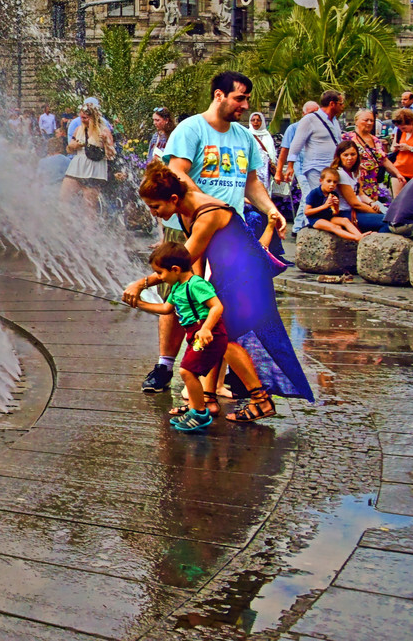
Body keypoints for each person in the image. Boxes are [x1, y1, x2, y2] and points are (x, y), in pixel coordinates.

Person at [136, 165, 311, 421]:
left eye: (155, 206)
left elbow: (182, 260)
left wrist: (140, 284)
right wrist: (196, 294)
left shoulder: (208, 213)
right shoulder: (186, 210)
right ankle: (205, 401)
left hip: (248, 277)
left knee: (224, 337)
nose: (153, 213)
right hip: (227, 277)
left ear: (173, 198)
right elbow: (194, 265)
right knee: (214, 332)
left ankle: (261, 400)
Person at [155, 70, 286, 392]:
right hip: (187, 227)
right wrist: (208, 208)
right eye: (239, 98)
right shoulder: (191, 129)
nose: (244, 105)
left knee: (221, 304)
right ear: (219, 95)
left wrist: (270, 208)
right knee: (178, 300)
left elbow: (252, 182)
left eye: (246, 100)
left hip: (229, 233)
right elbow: (177, 172)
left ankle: (208, 379)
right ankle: (165, 365)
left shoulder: (243, 136)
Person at [121, 242, 230, 433]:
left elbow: (217, 306)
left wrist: (205, 329)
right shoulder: (178, 288)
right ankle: (196, 410)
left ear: (175, 269)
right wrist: (138, 303)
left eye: (160, 273)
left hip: (208, 334)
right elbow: (165, 309)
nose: (159, 278)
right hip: (194, 334)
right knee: (189, 371)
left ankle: (199, 413)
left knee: (187, 371)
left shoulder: (196, 284)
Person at [285, 91, 346, 224]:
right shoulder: (309, 119)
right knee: (316, 197)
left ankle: (326, 223)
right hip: (315, 167)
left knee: (332, 198)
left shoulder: (334, 121)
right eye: (341, 104)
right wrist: (290, 166)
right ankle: (311, 225)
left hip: (332, 168)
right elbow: (296, 143)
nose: (343, 107)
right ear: (332, 104)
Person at [61, 98, 115, 214]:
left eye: (85, 118)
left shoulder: (104, 131)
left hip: (94, 170)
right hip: (77, 167)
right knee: (63, 198)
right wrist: (73, 146)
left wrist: (105, 142)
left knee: (89, 208)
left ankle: (90, 231)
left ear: (93, 118)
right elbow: (68, 149)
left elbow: (111, 154)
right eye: (81, 118)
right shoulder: (78, 129)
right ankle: (66, 225)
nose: (83, 120)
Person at [328, 139, 389, 234]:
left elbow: (360, 193)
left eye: (353, 154)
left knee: (388, 219)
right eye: (345, 155)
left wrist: (372, 203)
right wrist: (375, 212)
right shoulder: (340, 174)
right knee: (386, 222)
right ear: (339, 156)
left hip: (357, 210)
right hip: (345, 213)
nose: (349, 158)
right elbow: (354, 203)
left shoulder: (355, 171)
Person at [342, 108, 398, 204]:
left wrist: (398, 174)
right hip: (355, 182)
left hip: (372, 183)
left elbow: (383, 159)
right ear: (356, 121)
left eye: (372, 120)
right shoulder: (347, 138)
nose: (369, 123)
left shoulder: (375, 140)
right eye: (366, 120)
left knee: (372, 207)